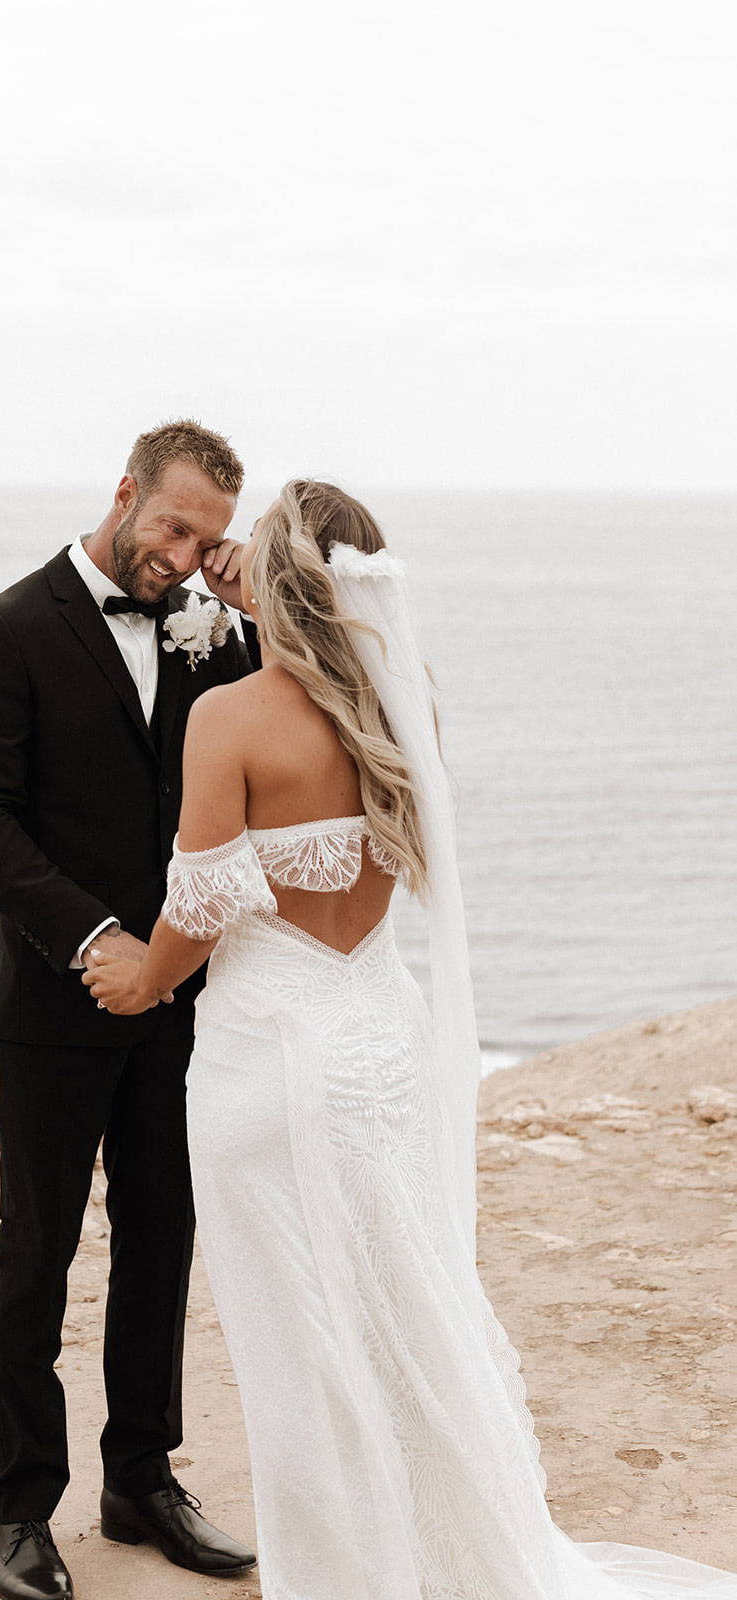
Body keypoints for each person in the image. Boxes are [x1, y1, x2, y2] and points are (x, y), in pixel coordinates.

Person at [84, 479, 737, 1600]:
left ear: (275, 585)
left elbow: (197, 909)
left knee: (302, 1346)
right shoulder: (403, 704)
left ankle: (347, 1572)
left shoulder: (228, 717)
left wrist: (139, 979)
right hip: (381, 1045)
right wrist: (276, 605)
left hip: (272, 1063)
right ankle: (449, 1547)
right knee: (405, 1307)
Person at [0, 420, 258, 1600]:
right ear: (123, 492)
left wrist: (250, 594)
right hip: (55, 999)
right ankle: (22, 1508)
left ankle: (140, 1479)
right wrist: (91, 935)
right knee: (38, 1251)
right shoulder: (6, 626)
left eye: (207, 538)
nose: (180, 554)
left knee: (162, 1236)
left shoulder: (216, 636)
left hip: (183, 999)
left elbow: (279, 728)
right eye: (171, 524)